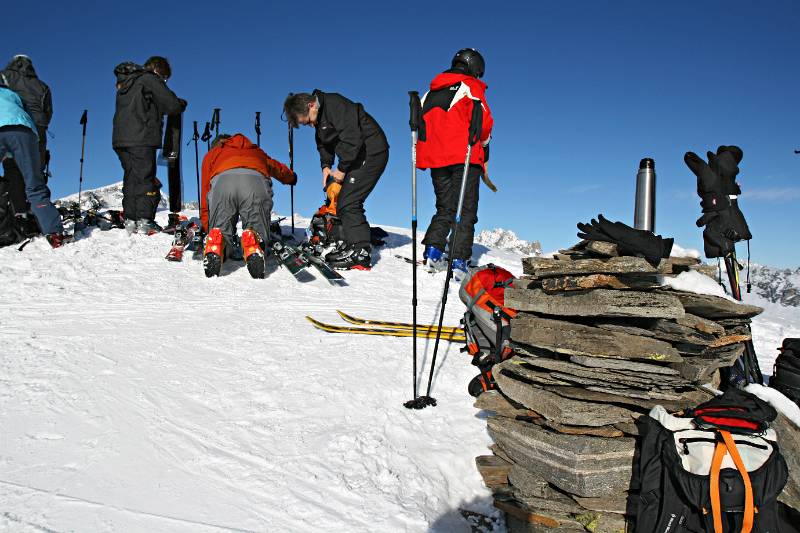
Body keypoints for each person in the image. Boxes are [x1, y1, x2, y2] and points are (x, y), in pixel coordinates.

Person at [283, 90, 389, 270]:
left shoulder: (334, 105)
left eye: (307, 121)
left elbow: (352, 138)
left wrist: (341, 169)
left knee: (349, 202)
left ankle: (360, 253)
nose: (310, 125)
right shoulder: (319, 116)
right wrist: (326, 165)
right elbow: (323, 143)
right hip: (356, 155)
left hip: (371, 151)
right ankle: (350, 239)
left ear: (311, 105)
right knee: (336, 193)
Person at [416, 48, 494, 278]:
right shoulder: (470, 86)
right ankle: (459, 259)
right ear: (474, 68)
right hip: (464, 156)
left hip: (436, 158)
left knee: (445, 206)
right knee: (465, 208)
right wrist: (486, 146)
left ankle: (433, 251)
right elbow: (484, 123)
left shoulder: (429, 92)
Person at [200, 133, 296, 278]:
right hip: (255, 182)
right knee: (259, 234)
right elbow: (276, 167)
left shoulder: (213, 153)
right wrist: (291, 177)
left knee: (220, 232)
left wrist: (208, 226)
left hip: (223, 183)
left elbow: (205, 190)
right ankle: (253, 241)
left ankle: (217, 242)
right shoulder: (255, 151)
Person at [112, 56, 185, 234]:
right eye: (165, 78)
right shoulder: (148, 79)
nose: (164, 81)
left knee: (131, 177)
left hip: (121, 138)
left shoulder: (126, 82)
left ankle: (131, 218)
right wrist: (181, 103)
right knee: (145, 177)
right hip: (142, 137)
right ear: (158, 71)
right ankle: (145, 220)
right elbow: (171, 105)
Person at [0, 82, 66, 247]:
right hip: (23, 131)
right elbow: (29, 115)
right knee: (34, 185)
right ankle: (54, 234)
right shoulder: (13, 94)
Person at [1, 55, 53, 231]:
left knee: (12, 170)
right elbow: (48, 111)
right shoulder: (42, 85)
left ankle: (19, 214)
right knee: (35, 173)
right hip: (35, 129)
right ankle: (38, 216)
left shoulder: (6, 76)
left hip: (11, 125)